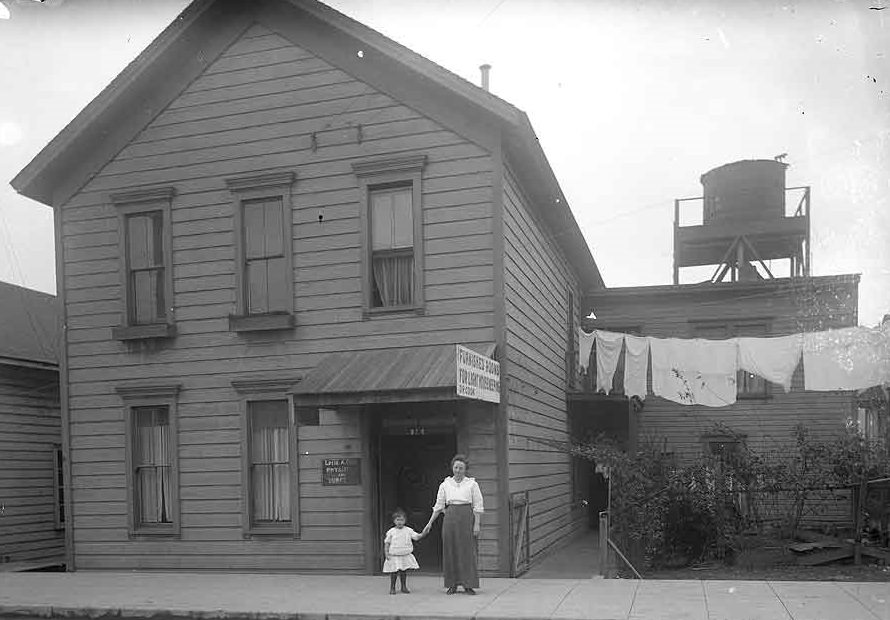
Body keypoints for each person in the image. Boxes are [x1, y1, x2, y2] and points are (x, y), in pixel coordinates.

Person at [421, 454, 483, 595]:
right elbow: (438, 506)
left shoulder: (472, 484)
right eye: (456, 467)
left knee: (467, 551)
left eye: (461, 468)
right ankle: (452, 584)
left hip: (467, 517)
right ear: (452, 468)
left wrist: (477, 524)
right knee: (450, 550)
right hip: (450, 518)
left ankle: (468, 584)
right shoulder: (445, 484)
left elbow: (478, 505)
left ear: (465, 469)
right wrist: (430, 523)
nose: (458, 470)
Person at [383, 507, 424, 594]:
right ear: (394, 521)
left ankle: (403, 587)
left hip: (404, 555)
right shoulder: (391, 531)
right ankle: (392, 588)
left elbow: (416, 537)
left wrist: (423, 533)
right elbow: (387, 543)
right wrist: (386, 553)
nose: (399, 522)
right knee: (394, 572)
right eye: (397, 520)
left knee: (403, 572)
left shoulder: (408, 530)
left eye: (401, 520)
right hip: (394, 556)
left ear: (405, 521)